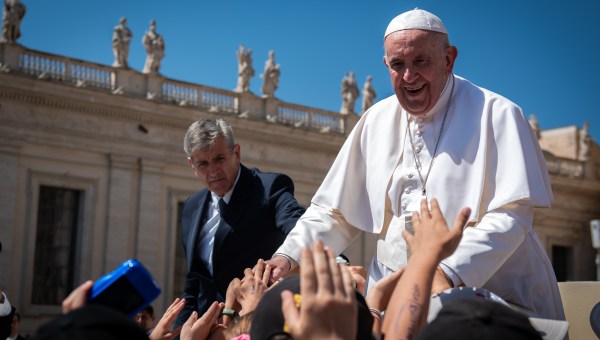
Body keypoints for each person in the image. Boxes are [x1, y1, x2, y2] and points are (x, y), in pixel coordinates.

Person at [267, 8, 565, 321]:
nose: (409, 76)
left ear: (449, 59)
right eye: (398, 65)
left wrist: (444, 272)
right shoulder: (375, 120)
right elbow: (335, 212)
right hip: (391, 293)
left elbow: (511, 215)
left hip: (486, 293)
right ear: (386, 64)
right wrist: (287, 256)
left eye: (421, 61)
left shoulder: (498, 114)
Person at [175, 119, 305, 327]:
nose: (213, 171)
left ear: (236, 153)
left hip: (256, 324)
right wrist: (180, 331)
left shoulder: (270, 188)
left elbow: (298, 224)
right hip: (207, 329)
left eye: (219, 159)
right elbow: (194, 282)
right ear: (192, 165)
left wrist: (337, 259)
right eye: (203, 164)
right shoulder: (192, 206)